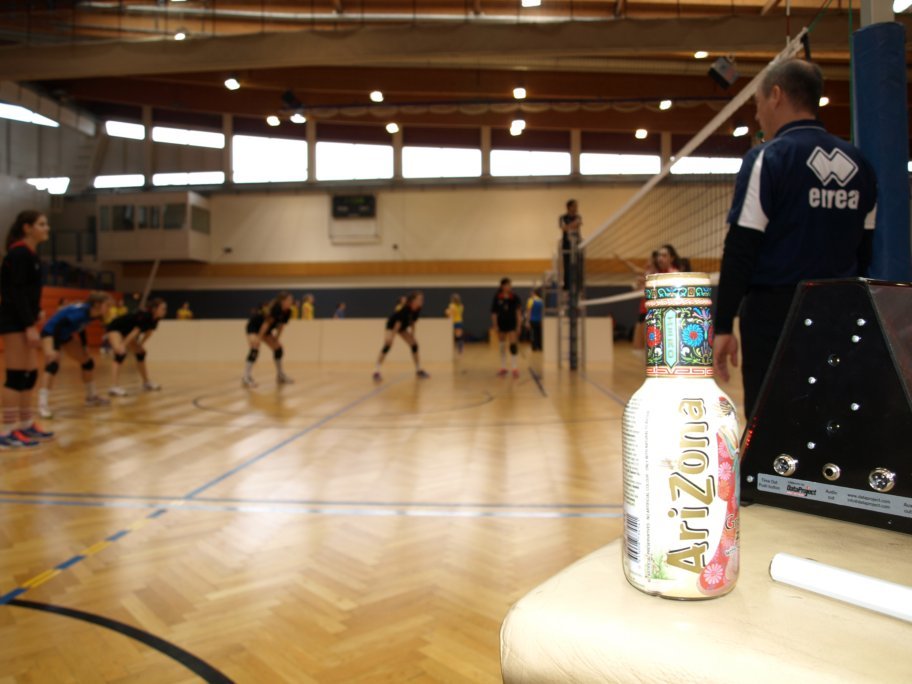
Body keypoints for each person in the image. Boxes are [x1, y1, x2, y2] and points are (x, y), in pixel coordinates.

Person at [713, 58, 877, 419]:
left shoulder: (768, 158)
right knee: (829, 417)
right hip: (840, 312)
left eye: (757, 104)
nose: (758, 115)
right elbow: (866, 251)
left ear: (776, 95)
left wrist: (723, 325)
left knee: (771, 422)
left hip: (777, 316)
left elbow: (741, 247)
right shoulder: (860, 164)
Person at [0, 210, 54, 449]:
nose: (46, 228)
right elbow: (14, 292)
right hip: (14, 322)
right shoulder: (19, 253)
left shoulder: (30, 255)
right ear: (27, 228)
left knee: (29, 374)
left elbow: (27, 292)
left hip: (24, 320)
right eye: (41, 224)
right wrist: (28, 324)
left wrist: (37, 311)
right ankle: (6, 431)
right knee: (15, 376)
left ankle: (25, 424)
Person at [38, 291, 114, 418]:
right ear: (97, 304)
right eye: (107, 305)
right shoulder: (81, 312)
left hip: (65, 335)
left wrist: (84, 346)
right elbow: (58, 325)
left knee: (87, 362)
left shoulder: (93, 314)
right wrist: (55, 349)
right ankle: (42, 405)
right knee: (52, 364)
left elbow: (81, 328)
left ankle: (91, 397)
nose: (109, 309)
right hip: (51, 333)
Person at [106, 298, 168, 396]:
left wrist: (140, 345)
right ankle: (113, 387)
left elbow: (149, 332)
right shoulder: (145, 316)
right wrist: (123, 345)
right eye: (163, 308)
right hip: (116, 327)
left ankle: (146, 383)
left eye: (165, 309)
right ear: (154, 309)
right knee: (120, 353)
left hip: (127, 331)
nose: (165, 311)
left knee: (141, 353)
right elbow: (135, 332)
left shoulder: (155, 319)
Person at [242, 292, 295, 388]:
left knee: (278, 348)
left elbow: (281, 326)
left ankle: (280, 375)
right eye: (289, 300)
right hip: (254, 326)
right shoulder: (276, 308)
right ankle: (246, 376)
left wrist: (276, 338)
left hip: (266, 329)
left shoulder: (288, 312)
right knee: (255, 346)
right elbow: (266, 324)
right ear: (283, 301)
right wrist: (258, 338)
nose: (291, 301)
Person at [373, 292, 429, 382]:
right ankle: (376, 371)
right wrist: (392, 337)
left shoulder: (418, 309)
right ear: (413, 300)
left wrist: (412, 334)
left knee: (414, 345)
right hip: (392, 325)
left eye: (422, 299)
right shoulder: (405, 309)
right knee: (388, 344)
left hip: (402, 327)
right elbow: (397, 323)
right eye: (420, 299)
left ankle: (418, 370)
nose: (422, 300)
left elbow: (413, 322)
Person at [491, 277, 523, 377]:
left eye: (510, 284)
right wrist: (495, 325)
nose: (509, 286)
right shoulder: (497, 297)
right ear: (502, 286)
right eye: (507, 285)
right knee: (502, 345)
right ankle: (503, 367)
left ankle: (514, 367)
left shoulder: (515, 297)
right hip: (501, 323)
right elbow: (494, 313)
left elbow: (518, 312)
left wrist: (519, 325)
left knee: (513, 345)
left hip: (512, 323)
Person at [558, 199, 583, 290]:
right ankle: (567, 286)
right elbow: (563, 228)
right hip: (566, 245)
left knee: (578, 265)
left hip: (577, 244)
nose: (576, 208)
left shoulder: (578, 217)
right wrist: (573, 225)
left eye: (576, 206)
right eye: (574, 206)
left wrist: (569, 226)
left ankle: (578, 285)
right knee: (567, 265)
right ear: (569, 207)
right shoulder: (562, 217)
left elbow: (578, 224)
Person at [525, 287, 544, 352]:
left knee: (533, 334)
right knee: (539, 334)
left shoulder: (530, 300)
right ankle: (540, 346)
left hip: (533, 320)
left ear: (533, 293)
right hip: (539, 320)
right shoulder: (541, 300)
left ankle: (534, 347)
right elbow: (542, 312)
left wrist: (527, 321)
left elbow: (529, 311)